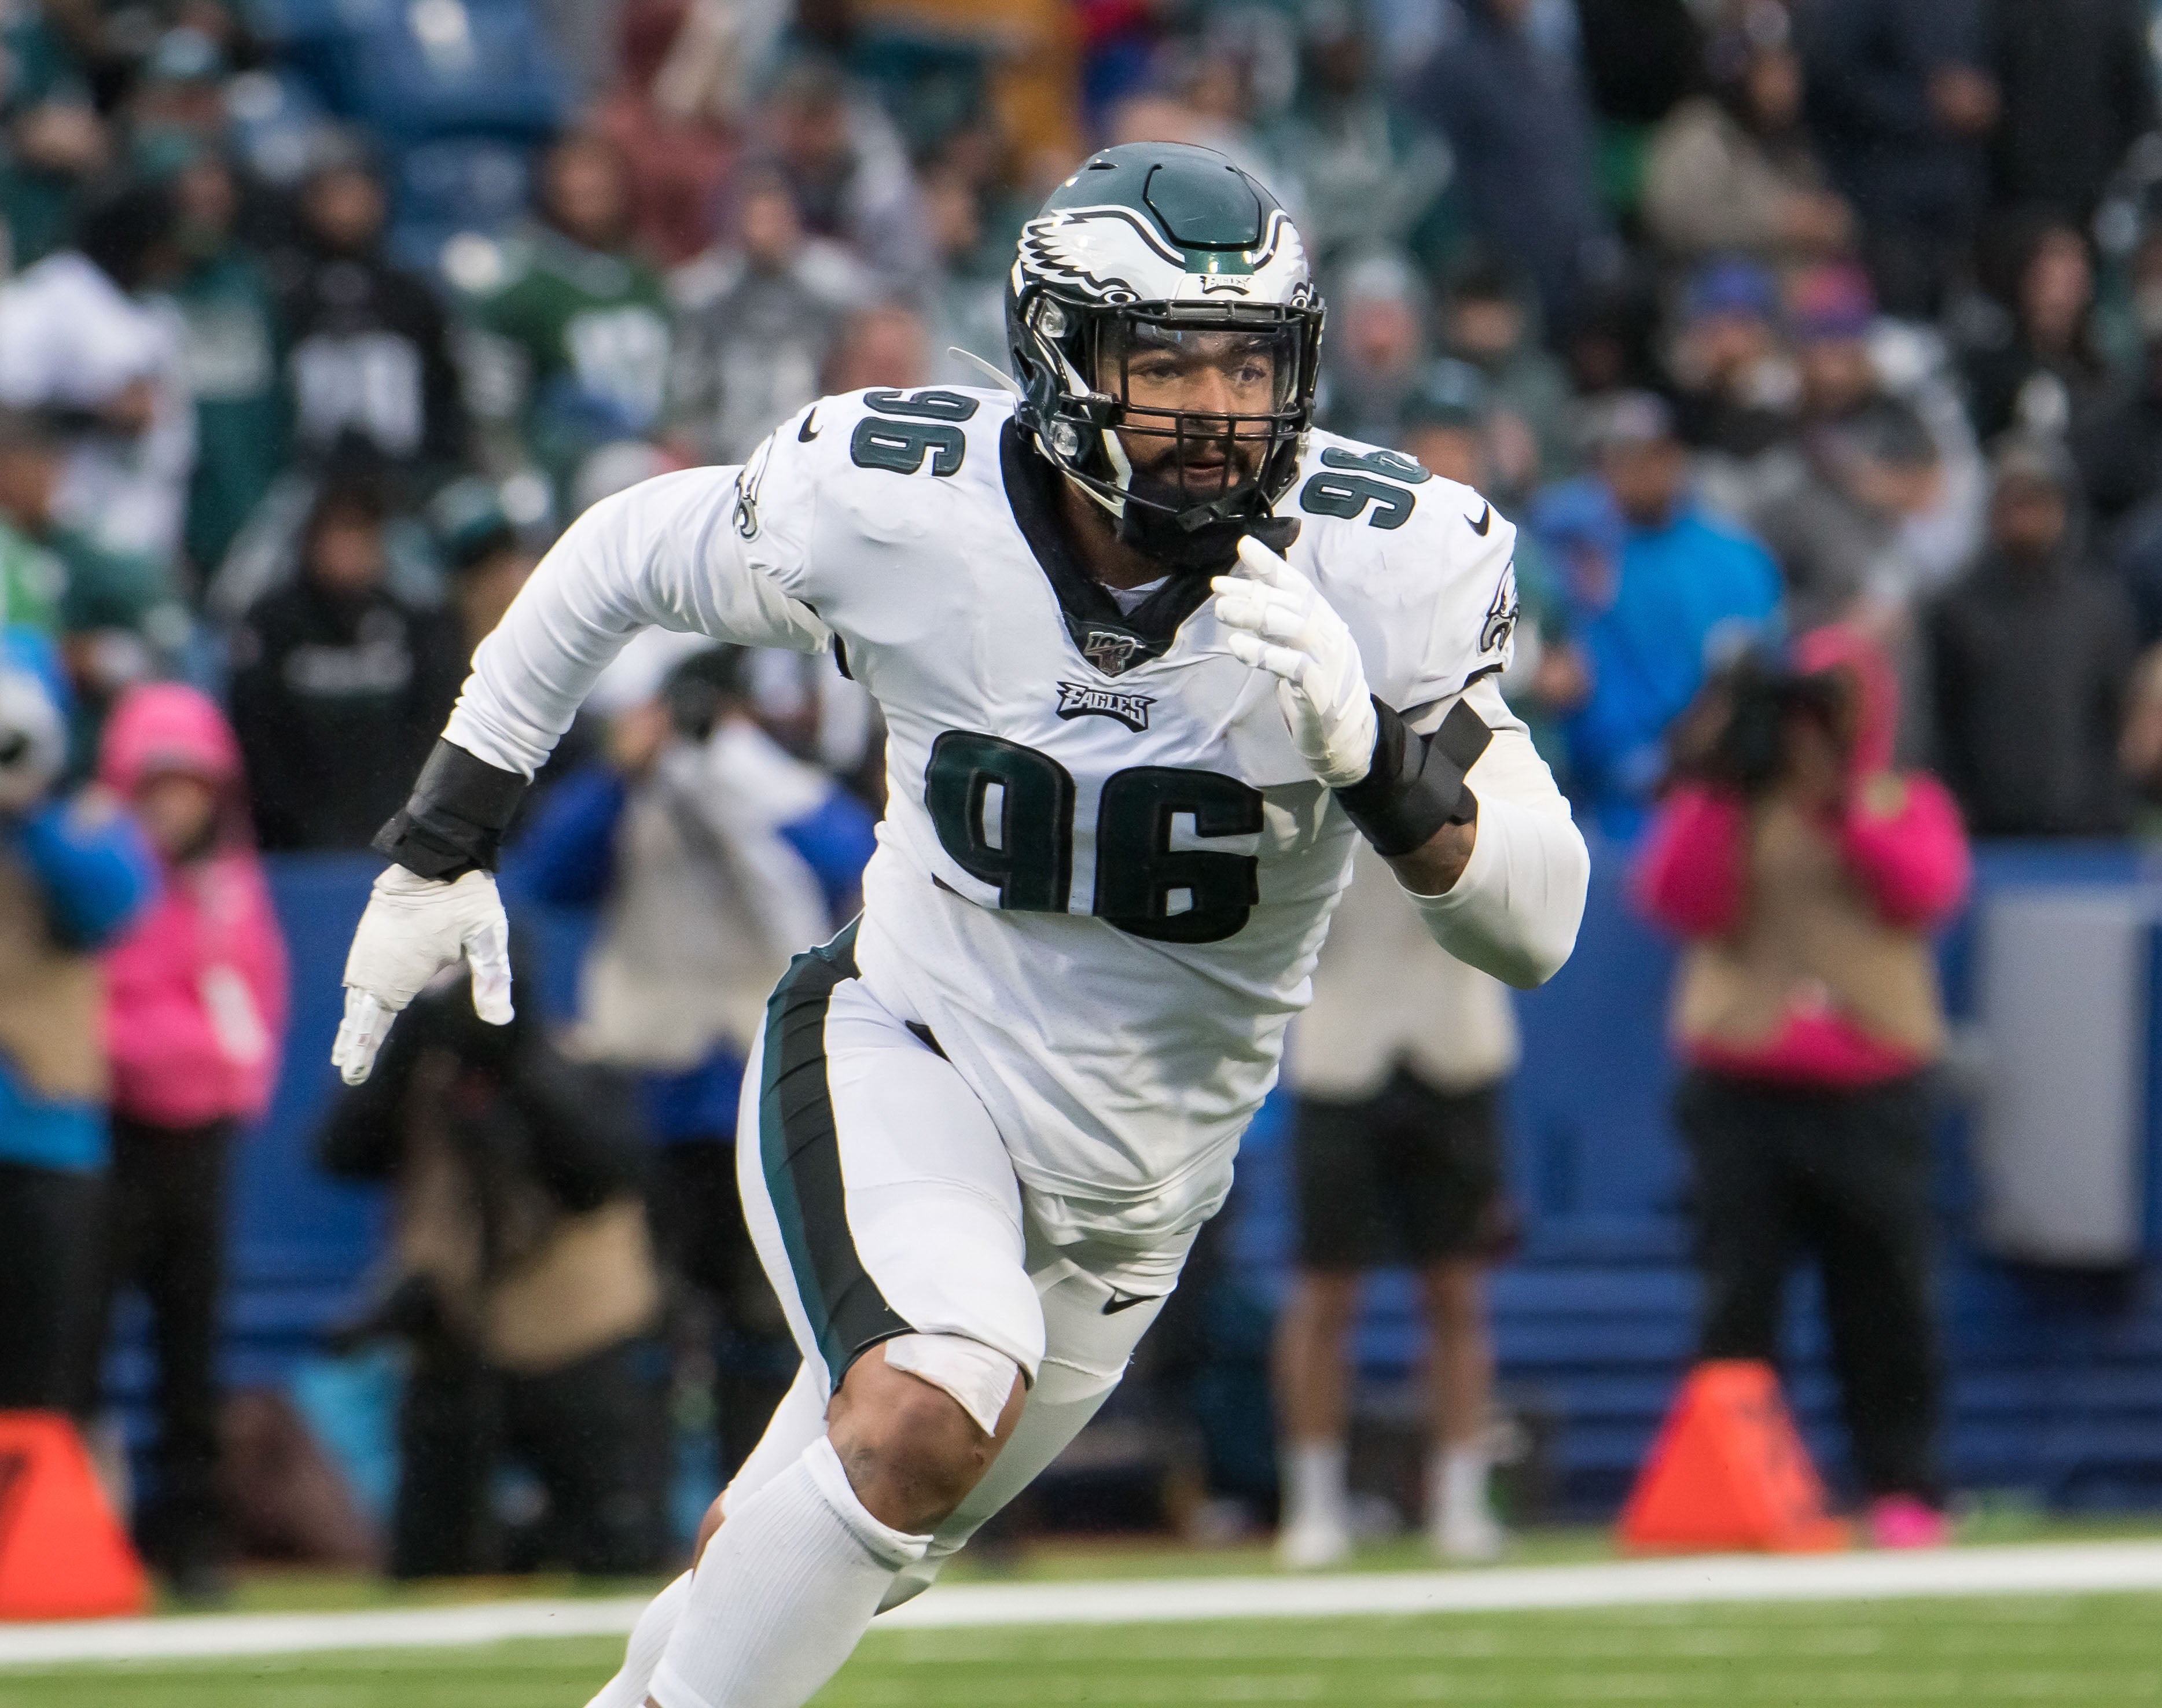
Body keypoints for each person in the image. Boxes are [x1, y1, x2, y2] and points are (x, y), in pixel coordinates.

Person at [327, 143, 1588, 1708]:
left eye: (1249, 362)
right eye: (1165, 357)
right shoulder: (900, 502)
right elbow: (614, 561)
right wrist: (445, 840)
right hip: (905, 1050)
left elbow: (1534, 921)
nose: (1218, 408)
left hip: (1138, 1201)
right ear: (1061, 357)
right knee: (931, 1403)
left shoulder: (1386, 563)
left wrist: (1376, 759)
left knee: (826, 1525)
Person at [1637, 625, 1969, 1548]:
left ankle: (1905, 1486)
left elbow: (1924, 892)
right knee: (1738, 1298)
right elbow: (1677, 897)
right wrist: (1723, 777)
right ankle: (1743, 1484)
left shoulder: (1902, 798)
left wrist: (1850, 799)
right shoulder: (1734, 806)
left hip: (1874, 1082)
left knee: (1888, 1299)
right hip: (1743, 1082)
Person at [515, 643, 877, 1484]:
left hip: (762, 1082)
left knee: (764, 1317)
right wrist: (625, 773)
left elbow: (846, 860)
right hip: (651, 1084)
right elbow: (550, 877)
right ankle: (646, 1509)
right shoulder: (629, 797)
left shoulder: (775, 783)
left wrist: (734, 764)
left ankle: (753, 1497)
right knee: (648, 1314)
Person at [317, 951, 667, 1578]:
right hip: (455, 1335)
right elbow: (341, 1155)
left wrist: (518, 1062)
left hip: (576, 1335)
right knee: (430, 1562)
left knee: (616, 1551)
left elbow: (603, 1174)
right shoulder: (423, 1081)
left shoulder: (578, 1059)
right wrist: (406, 1045)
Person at [79, 682, 287, 1599]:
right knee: (76, 1344)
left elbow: (256, 1002)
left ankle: (193, 1541)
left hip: (200, 1144)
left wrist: (209, 1070)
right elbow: (106, 1009)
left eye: (189, 784)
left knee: (190, 1347)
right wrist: (183, 1054)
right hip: (110, 1134)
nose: (173, 802)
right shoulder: (105, 874)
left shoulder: (230, 887)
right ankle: (72, 1530)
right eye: (157, 783)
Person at [1274, 841, 1520, 1568]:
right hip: (1340, 1049)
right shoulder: (1310, 754)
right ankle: (1312, 1504)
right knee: (1325, 1292)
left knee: (1454, 1289)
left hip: (1455, 1042)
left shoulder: (1474, 745)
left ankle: (1460, 1499)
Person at [0, 627, 155, 1413]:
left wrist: (36, 812)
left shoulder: (79, 825)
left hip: (46, 1139)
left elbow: (119, 900)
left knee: (42, 1390)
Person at [1542, 392, 1784, 839]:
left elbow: (1768, 670)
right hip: (1615, 806)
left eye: (1655, 456)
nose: (1642, 473)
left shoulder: (1737, 559)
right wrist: (1642, 759)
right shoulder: (1579, 559)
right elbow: (1580, 679)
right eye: (1624, 459)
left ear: (1677, 457)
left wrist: (1713, 741)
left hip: (1727, 796)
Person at [229, 476, 465, 851]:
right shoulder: (272, 626)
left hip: (397, 838)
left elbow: (435, 727)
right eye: (341, 530)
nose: (352, 546)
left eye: (363, 531)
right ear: (311, 539)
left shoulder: (413, 624)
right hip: (295, 849)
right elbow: (257, 740)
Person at [1928, 435, 2138, 837]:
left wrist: (2109, 809)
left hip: (2085, 832)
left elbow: (2115, 717)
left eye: (2036, 504)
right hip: (1987, 831)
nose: (2024, 519)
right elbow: (1942, 722)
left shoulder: (2098, 608)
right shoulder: (1956, 608)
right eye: (2012, 505)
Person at [1401, 0, 1609, 325]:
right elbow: (1436, 178)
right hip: (1494, 280)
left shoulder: (1555, 72)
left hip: (1566, 271)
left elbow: (1579, 171)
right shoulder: (1448, 71)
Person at [1642, 1, 1851, 275]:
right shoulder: (1702, 131)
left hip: (1795, 294)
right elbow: (1672, 217)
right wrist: (1777, 223)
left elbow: (1836, 219)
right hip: (1708, 289)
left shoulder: (1798, 143)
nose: (1782, 86)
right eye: (1769, 70)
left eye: (1788, 71)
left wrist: (1830, 223)